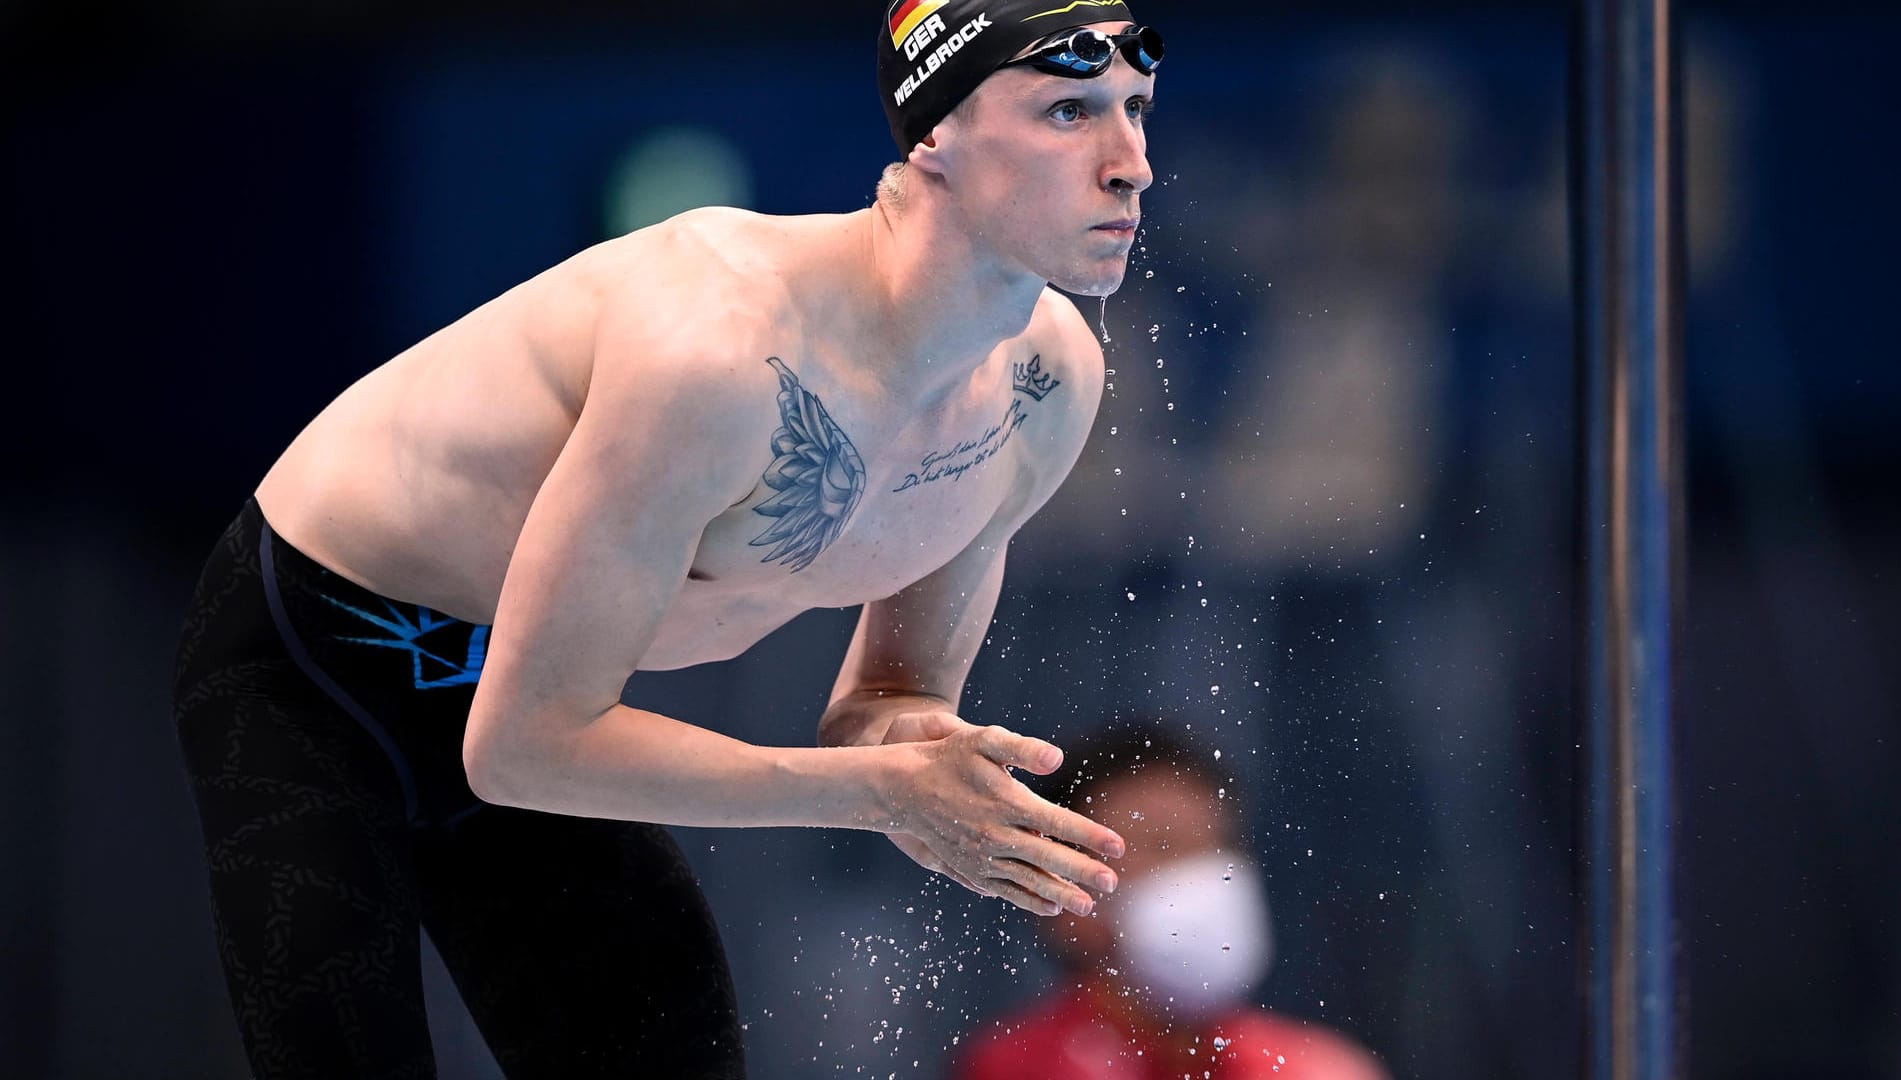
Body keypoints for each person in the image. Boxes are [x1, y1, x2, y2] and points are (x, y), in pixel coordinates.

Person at [169, 4, 1163, 1077]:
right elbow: (524, 744)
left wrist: (925, 765)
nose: (1132, 165)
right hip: (319, 659)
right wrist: (876, 796)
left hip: (532, 707)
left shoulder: (1046, 387)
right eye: (1070, 111)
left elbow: (884, 708)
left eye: (1137, 111)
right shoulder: (720, 350)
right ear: (934, 138)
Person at [953, 724, 1390, 1080]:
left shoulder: (1319, 1068)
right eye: (1162, 847)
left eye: (1216, 846)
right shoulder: (1019, 1066)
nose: (1203, 877)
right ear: (1059, 883)